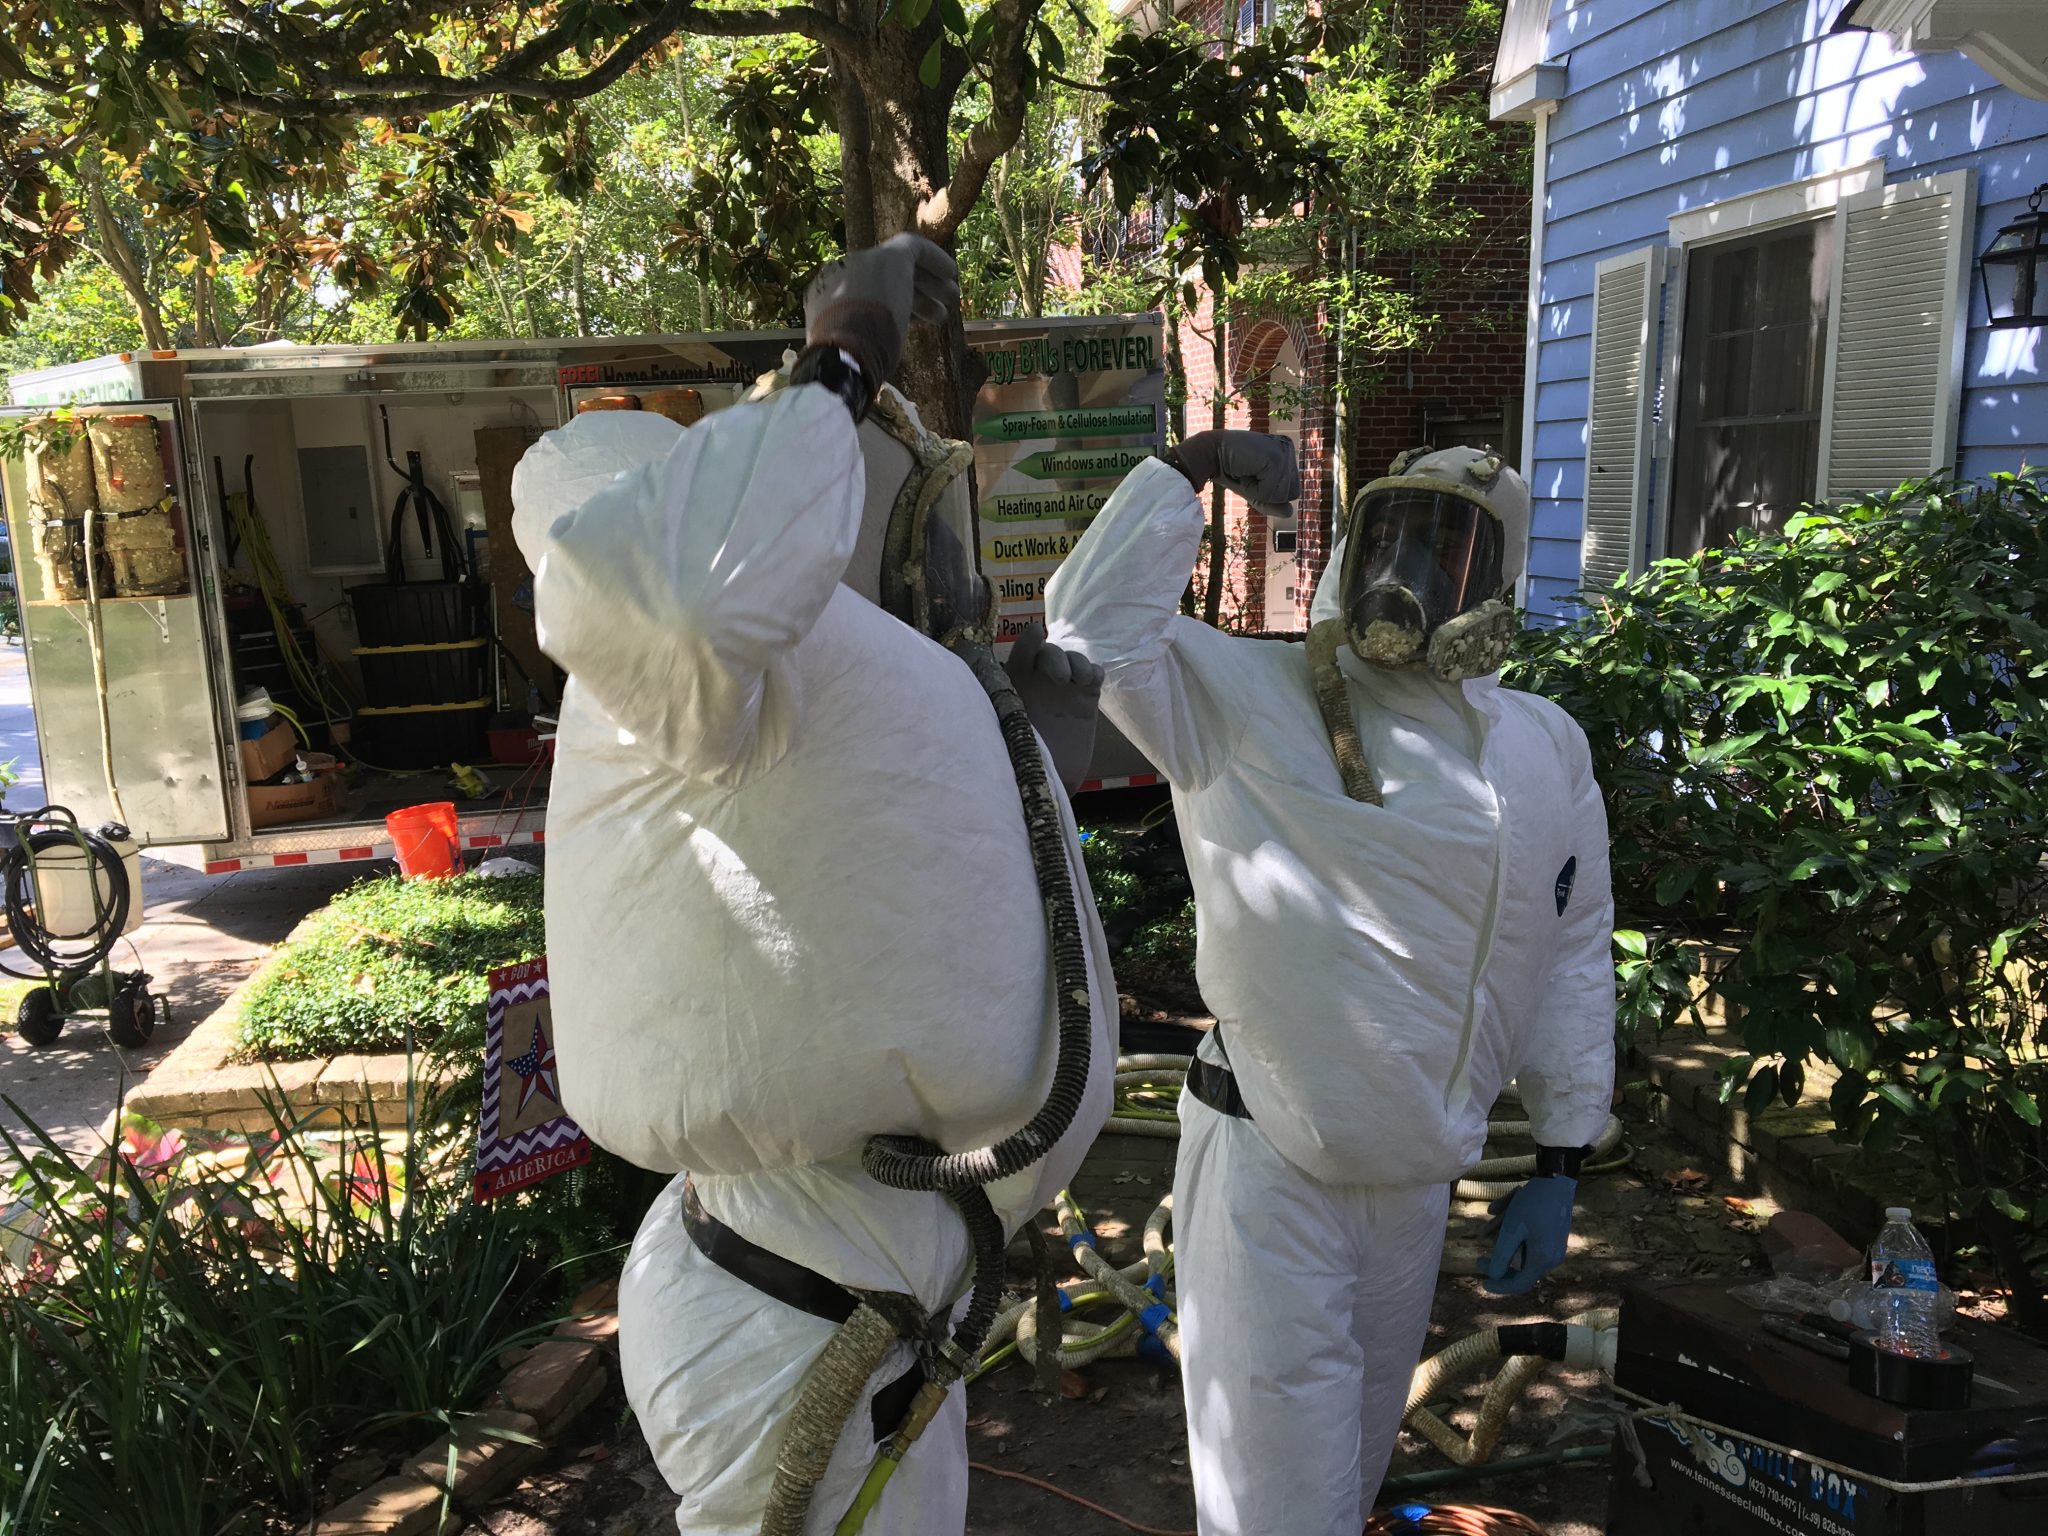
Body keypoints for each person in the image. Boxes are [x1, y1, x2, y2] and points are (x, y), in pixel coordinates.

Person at [508, 235, 1132, 1535]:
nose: (946, 557)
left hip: (874, 1301)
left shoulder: (837, 701)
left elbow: (978, 863)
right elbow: (678, 586)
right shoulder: (706, 678)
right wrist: (847, 349)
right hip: (801, 1314)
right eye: (901, 503)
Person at [1043, 436, 1616, 1535]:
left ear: (1496, 581)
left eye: (1446, 547)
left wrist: (1558, 1154)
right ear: (1350, 545)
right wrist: (1189, 466)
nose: (1407, 574)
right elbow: (1088, 634)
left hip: (1415, 1183)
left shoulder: (1543, 749)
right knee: (1274, 1512)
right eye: (1391, 536)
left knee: (1346, 1482)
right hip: (1273, 1175)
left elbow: (1568, 945)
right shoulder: (1244, 695)